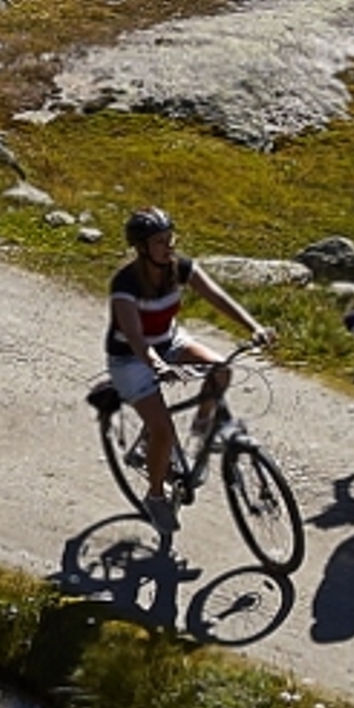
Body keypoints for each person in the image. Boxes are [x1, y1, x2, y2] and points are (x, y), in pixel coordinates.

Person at [104, 206, 270, 505]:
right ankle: (155, 497)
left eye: (170, 238)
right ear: (142, 248)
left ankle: (200, 432)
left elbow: (218, 297)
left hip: (170, 342)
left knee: (221, 370)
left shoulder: (179, 268)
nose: (169, 246)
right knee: (163, 433)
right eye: (160, 241)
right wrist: (157, 364)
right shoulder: (125, 284)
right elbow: (134, 336)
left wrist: (253, 326)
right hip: (131, 360)